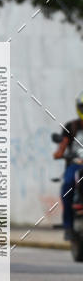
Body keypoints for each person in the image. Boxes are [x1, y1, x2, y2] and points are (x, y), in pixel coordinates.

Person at [53, 92, 83, 240]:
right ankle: (68, 226)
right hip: (76, 165)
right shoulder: (72, 126)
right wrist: (63, 154)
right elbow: (59, 151)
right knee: (68, 186)